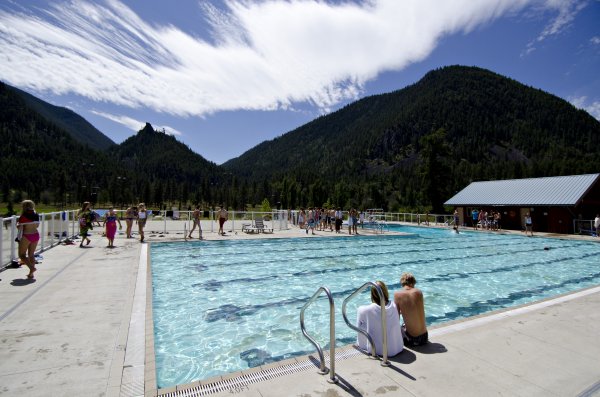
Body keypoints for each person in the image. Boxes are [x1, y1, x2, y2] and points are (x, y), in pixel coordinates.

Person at [356, 281, 404, 357]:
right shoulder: (394, 305)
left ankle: (365, 346)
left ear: (372, 294)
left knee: (362, 320)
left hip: (381, 351)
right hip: (397, 347)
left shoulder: (366, 310)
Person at [394, 273, 428, 347]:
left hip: (412, 340)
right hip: (425, 337)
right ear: (413, 282)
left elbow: (396, 318)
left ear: (402, 283)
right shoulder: (419, 292)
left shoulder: (397, 294)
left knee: (400, 326)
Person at [17, 200, 40, 279]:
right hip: (36, 235)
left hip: (27, 236)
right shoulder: (36, 214)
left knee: (22, 255)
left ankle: (32, 268)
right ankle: (31, 274)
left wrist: (17, 224)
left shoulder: (23, 216)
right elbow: (37, 226)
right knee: (31, 254)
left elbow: (19, 227)